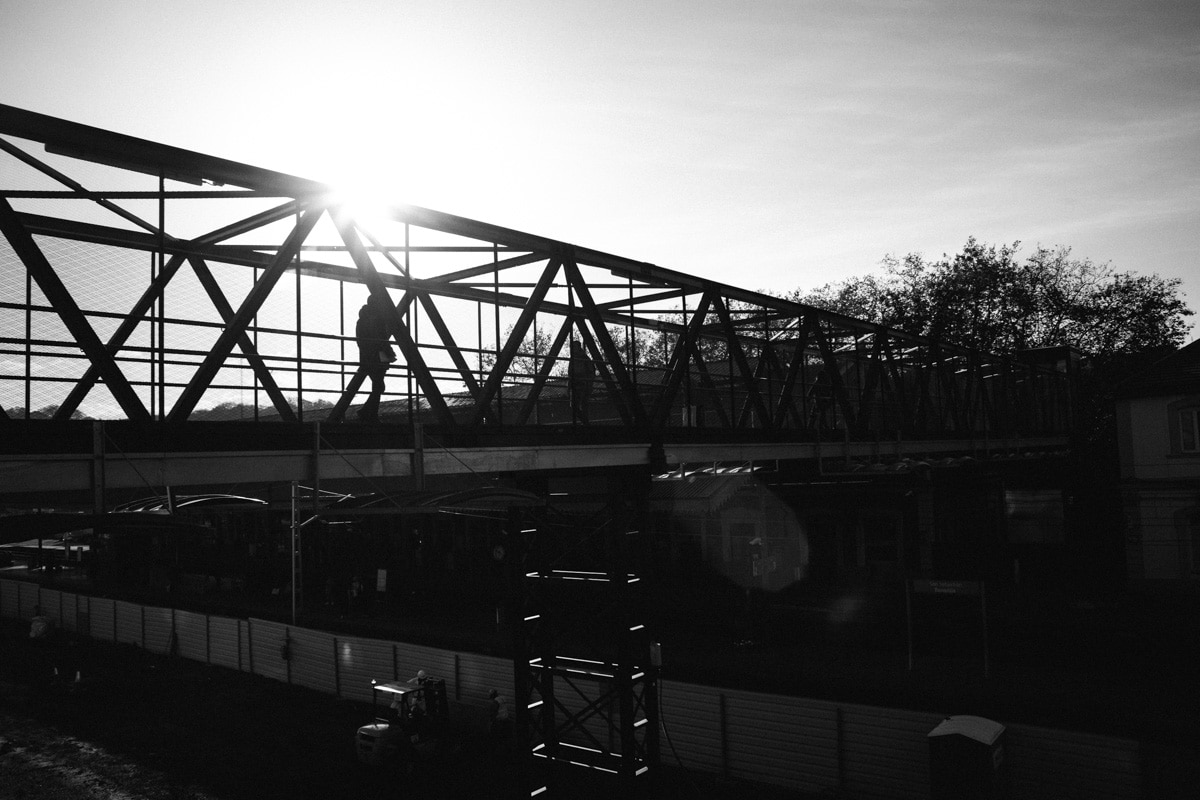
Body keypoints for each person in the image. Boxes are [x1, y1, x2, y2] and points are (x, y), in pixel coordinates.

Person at [355, 293, 394, 422]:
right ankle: (368, 413)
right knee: (379, 387)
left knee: (378, 386)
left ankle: (368, 413)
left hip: (369, 357)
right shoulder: (377, 319)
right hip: (378, 357)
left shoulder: (362, 320)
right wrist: (389, 353)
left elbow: (362, 341)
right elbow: (382, 339)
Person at [568, 339, 595, 424]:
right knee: (575, 406)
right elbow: (570, 374)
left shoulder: (584, 359)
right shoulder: (573, 359)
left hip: (583, 384)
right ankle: (585, 423)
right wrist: (569, 386)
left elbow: (591, 372)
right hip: (576, 384)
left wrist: (589, 384)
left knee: (582, 405)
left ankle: (585, 423)